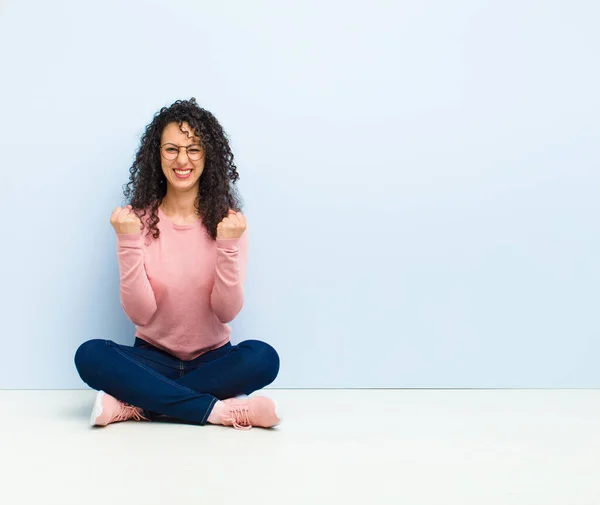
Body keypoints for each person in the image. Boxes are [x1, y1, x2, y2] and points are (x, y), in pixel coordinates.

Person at [74, 98, 281, 430]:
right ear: (158, 155)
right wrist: (128, 241)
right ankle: (220, 411)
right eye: (172, 149)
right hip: (152, 359)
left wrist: (227, 245)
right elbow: (141, 315)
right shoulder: (135, 221)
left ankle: (140, 405)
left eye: (194, 150)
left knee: (263, 358)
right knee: (90, 355)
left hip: (215, 361)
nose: (182, 160)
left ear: (207, 157)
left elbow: (226, 312)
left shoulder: (230, 224)